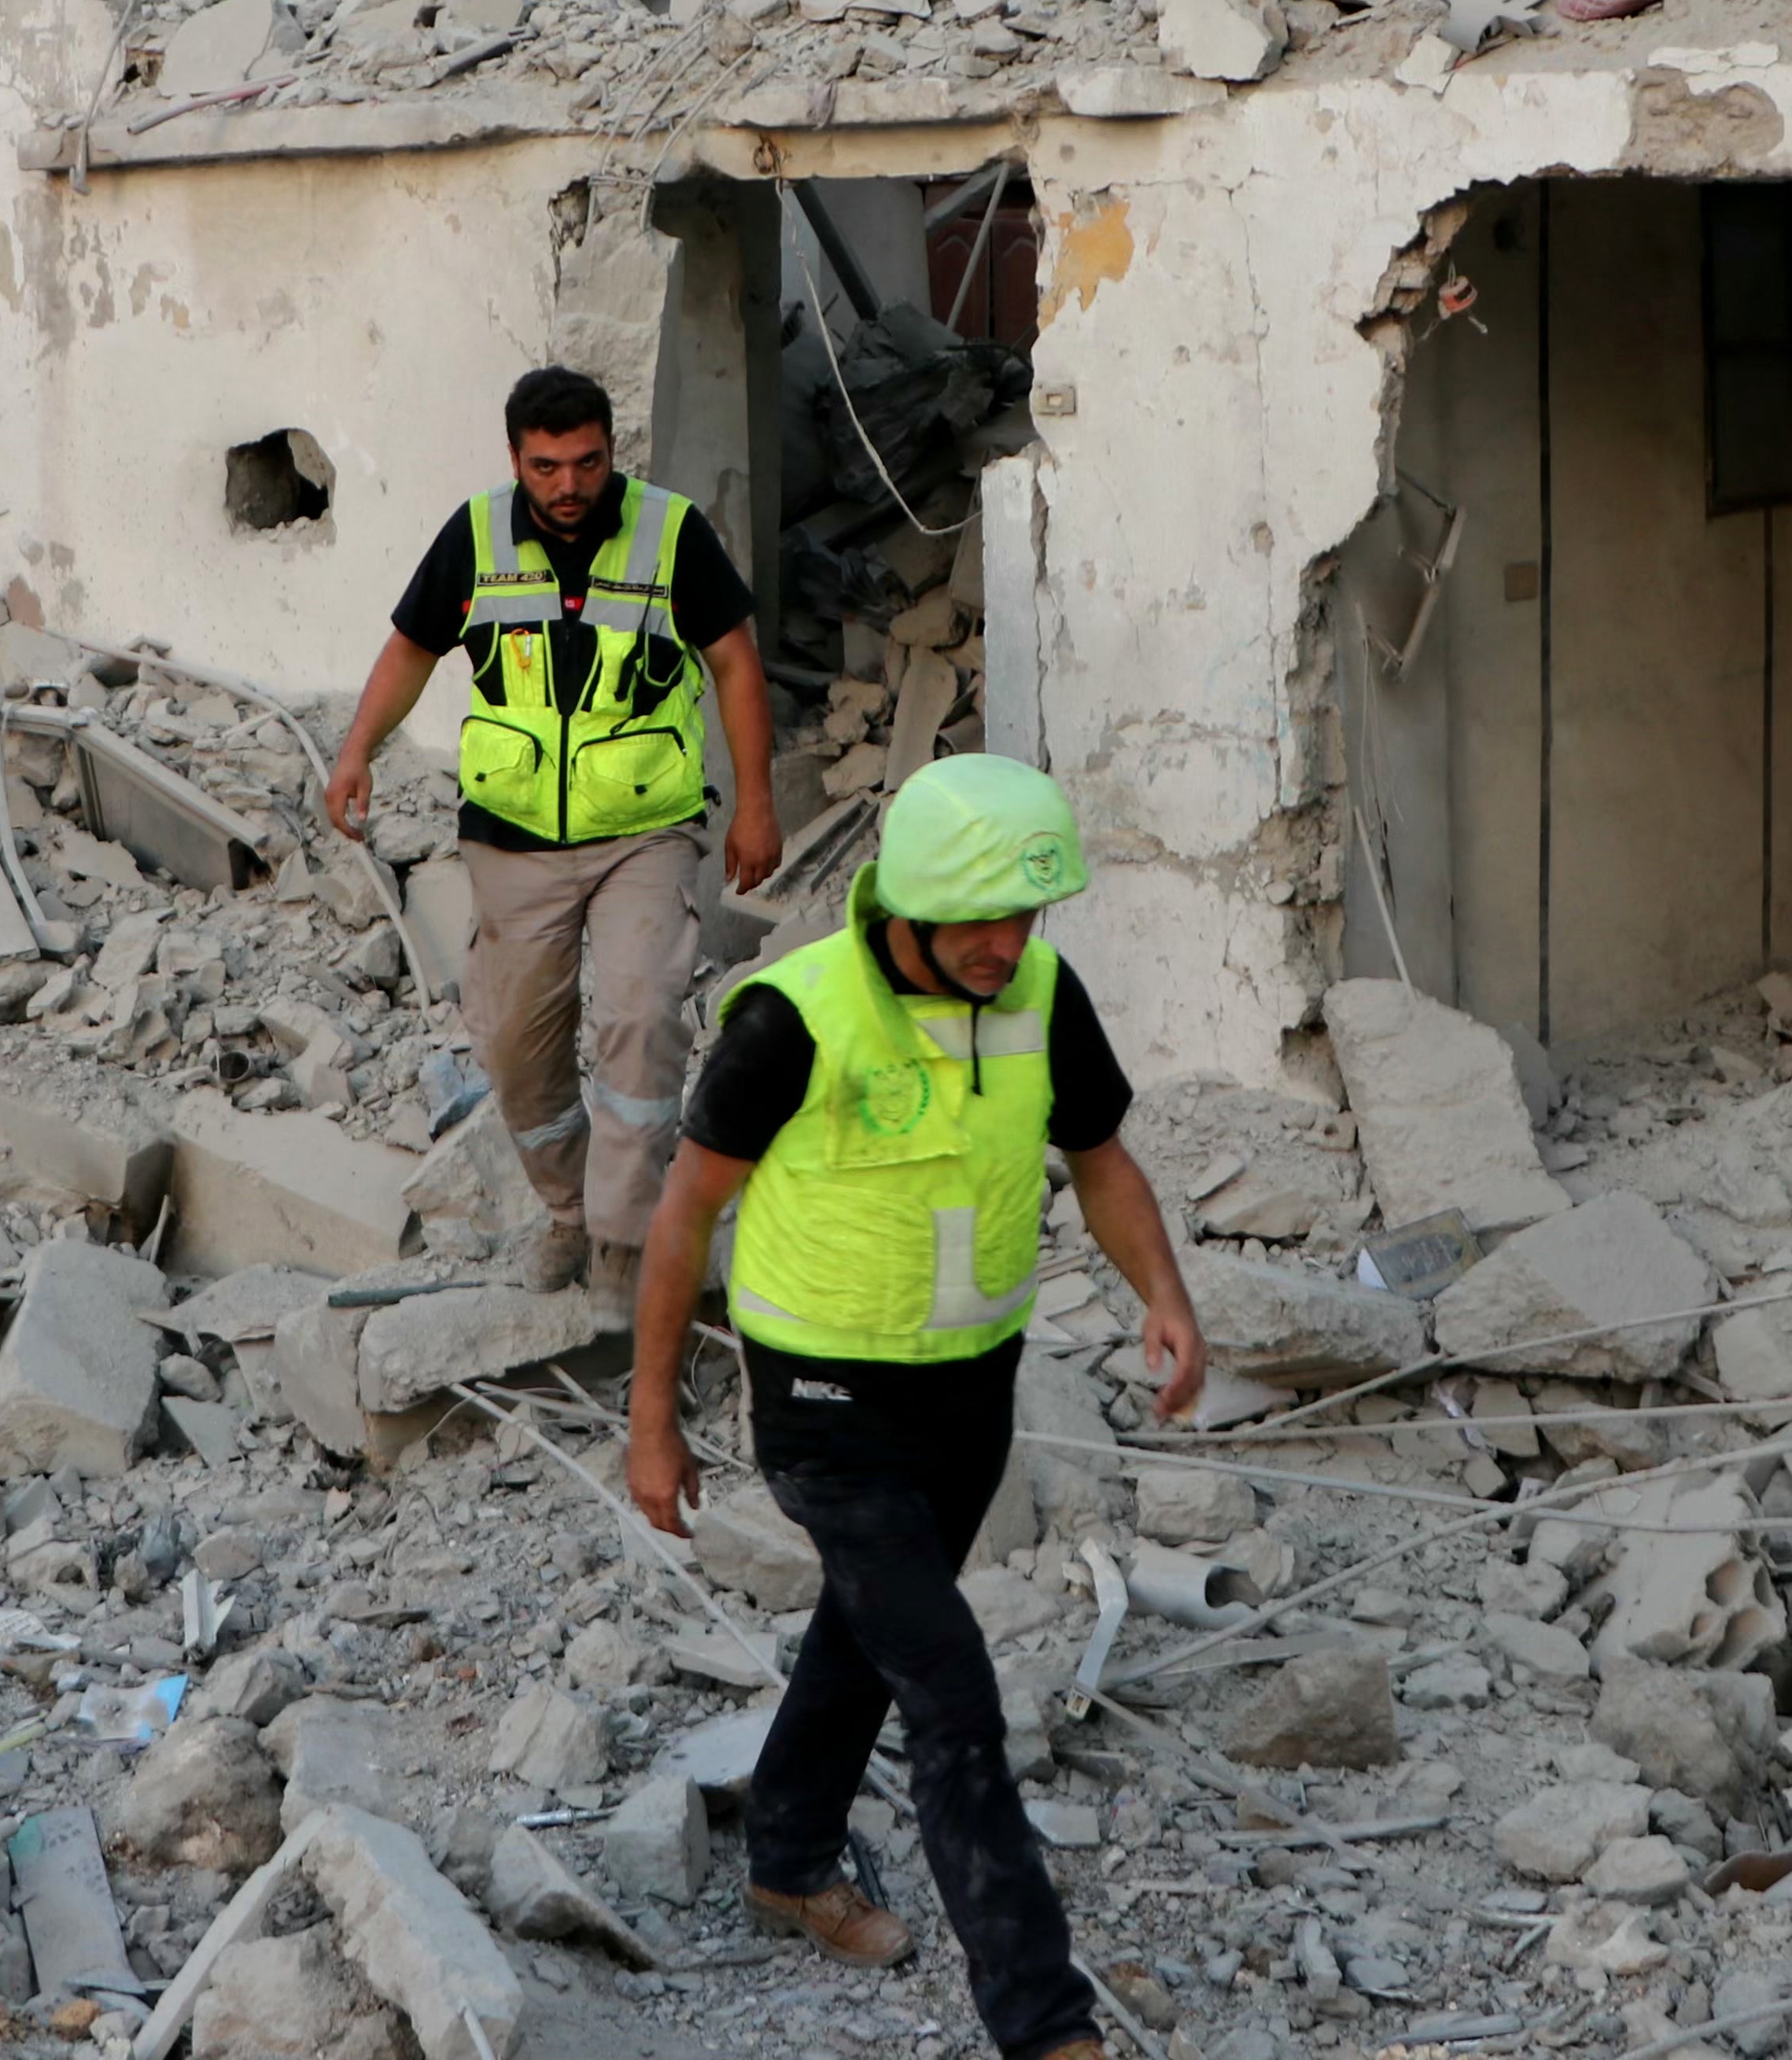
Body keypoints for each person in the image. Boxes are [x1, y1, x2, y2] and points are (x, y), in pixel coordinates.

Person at [623, 756, 1206, 2060]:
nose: (1010, 944)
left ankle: (786, 1858)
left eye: (1028, 916)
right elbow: (683, 1217)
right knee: (948, 1688)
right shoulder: (797, 1018)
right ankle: (1046, 2025)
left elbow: (1101, 1159)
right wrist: (650, 1419)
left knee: (869, 1630)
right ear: (915, 904)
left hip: (970, 1391)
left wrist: (1162, 1292)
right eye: (984, 918)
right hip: (824, 1402)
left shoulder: (1042, 994)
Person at [325, 364, 781, 1298]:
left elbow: (734, 659)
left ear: (613, 450)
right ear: (514, 460)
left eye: (586, 462)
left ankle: (626, 1236)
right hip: (513, 838)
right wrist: (356, 749)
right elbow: (413, 646)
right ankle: (572, 1214)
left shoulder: (670, 532)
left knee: (641, 1019)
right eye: (545, 467)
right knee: (519, 1053)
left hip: (645, 833)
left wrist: (758, 802)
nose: (568, 485)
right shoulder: (478, 534)